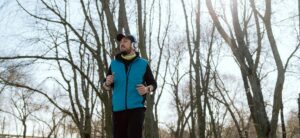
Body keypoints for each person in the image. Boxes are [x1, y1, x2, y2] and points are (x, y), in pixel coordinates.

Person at [103, 33, 157, 138]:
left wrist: (147, 89)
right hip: (118, 110)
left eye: (125, 41)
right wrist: (106, 83)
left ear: (132, 45)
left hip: (136, 109)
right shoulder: (114, 64)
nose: (122, 43)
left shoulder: (143, 63)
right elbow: (106, 85)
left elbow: (153, 84)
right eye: (121, 42)